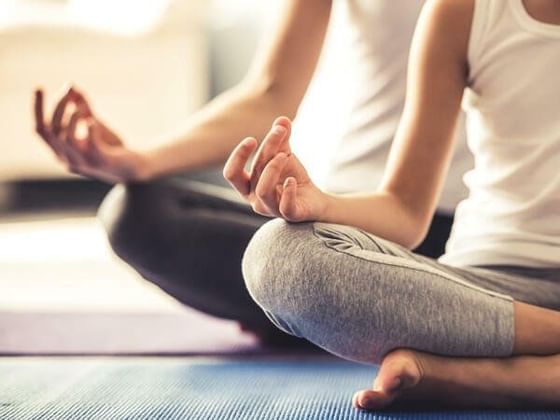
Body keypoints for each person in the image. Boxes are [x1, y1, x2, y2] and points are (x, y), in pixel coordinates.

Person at [33, 1, 472, 344]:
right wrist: (139, 160)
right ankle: (339, 319)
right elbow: (270, 92)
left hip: (459, 236)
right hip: (332, 222)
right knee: (138, 213)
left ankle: (318, 319)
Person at [224, 0, 560, 409]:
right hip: (486, 290)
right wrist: (320, 203)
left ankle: (488, 376)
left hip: (493, 321)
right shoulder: (461, 12)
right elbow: (403, 211)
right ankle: (538, 359)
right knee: (279, 255)